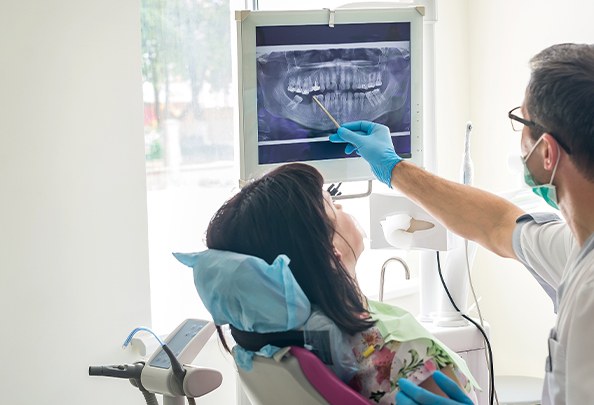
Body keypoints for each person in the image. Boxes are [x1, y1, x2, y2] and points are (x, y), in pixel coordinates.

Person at [329, 43, 594, 404]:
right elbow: (497, 222)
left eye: (522, 121)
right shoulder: (574, 245)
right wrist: (394, 169)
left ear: (547, 152)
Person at [179, 163, 478, 404]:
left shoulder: (267, 348)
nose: (345, 210)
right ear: (330, 253)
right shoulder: (407, 361)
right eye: (334, 206)